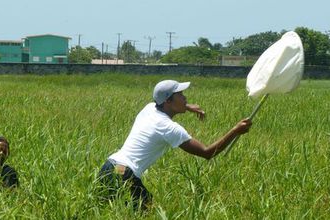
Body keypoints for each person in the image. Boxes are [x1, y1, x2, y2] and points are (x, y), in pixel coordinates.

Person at [98, 79, 252, 210]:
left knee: (105, 210)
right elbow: (207, 153)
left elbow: (162, 104)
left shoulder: (149, 108)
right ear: (168, 101)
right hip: (124, 172)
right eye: (181, 95)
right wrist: (235, 130)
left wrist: (187, 107)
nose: (185, 97)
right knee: (146, 207)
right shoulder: (169, 128)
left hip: (110, 166)